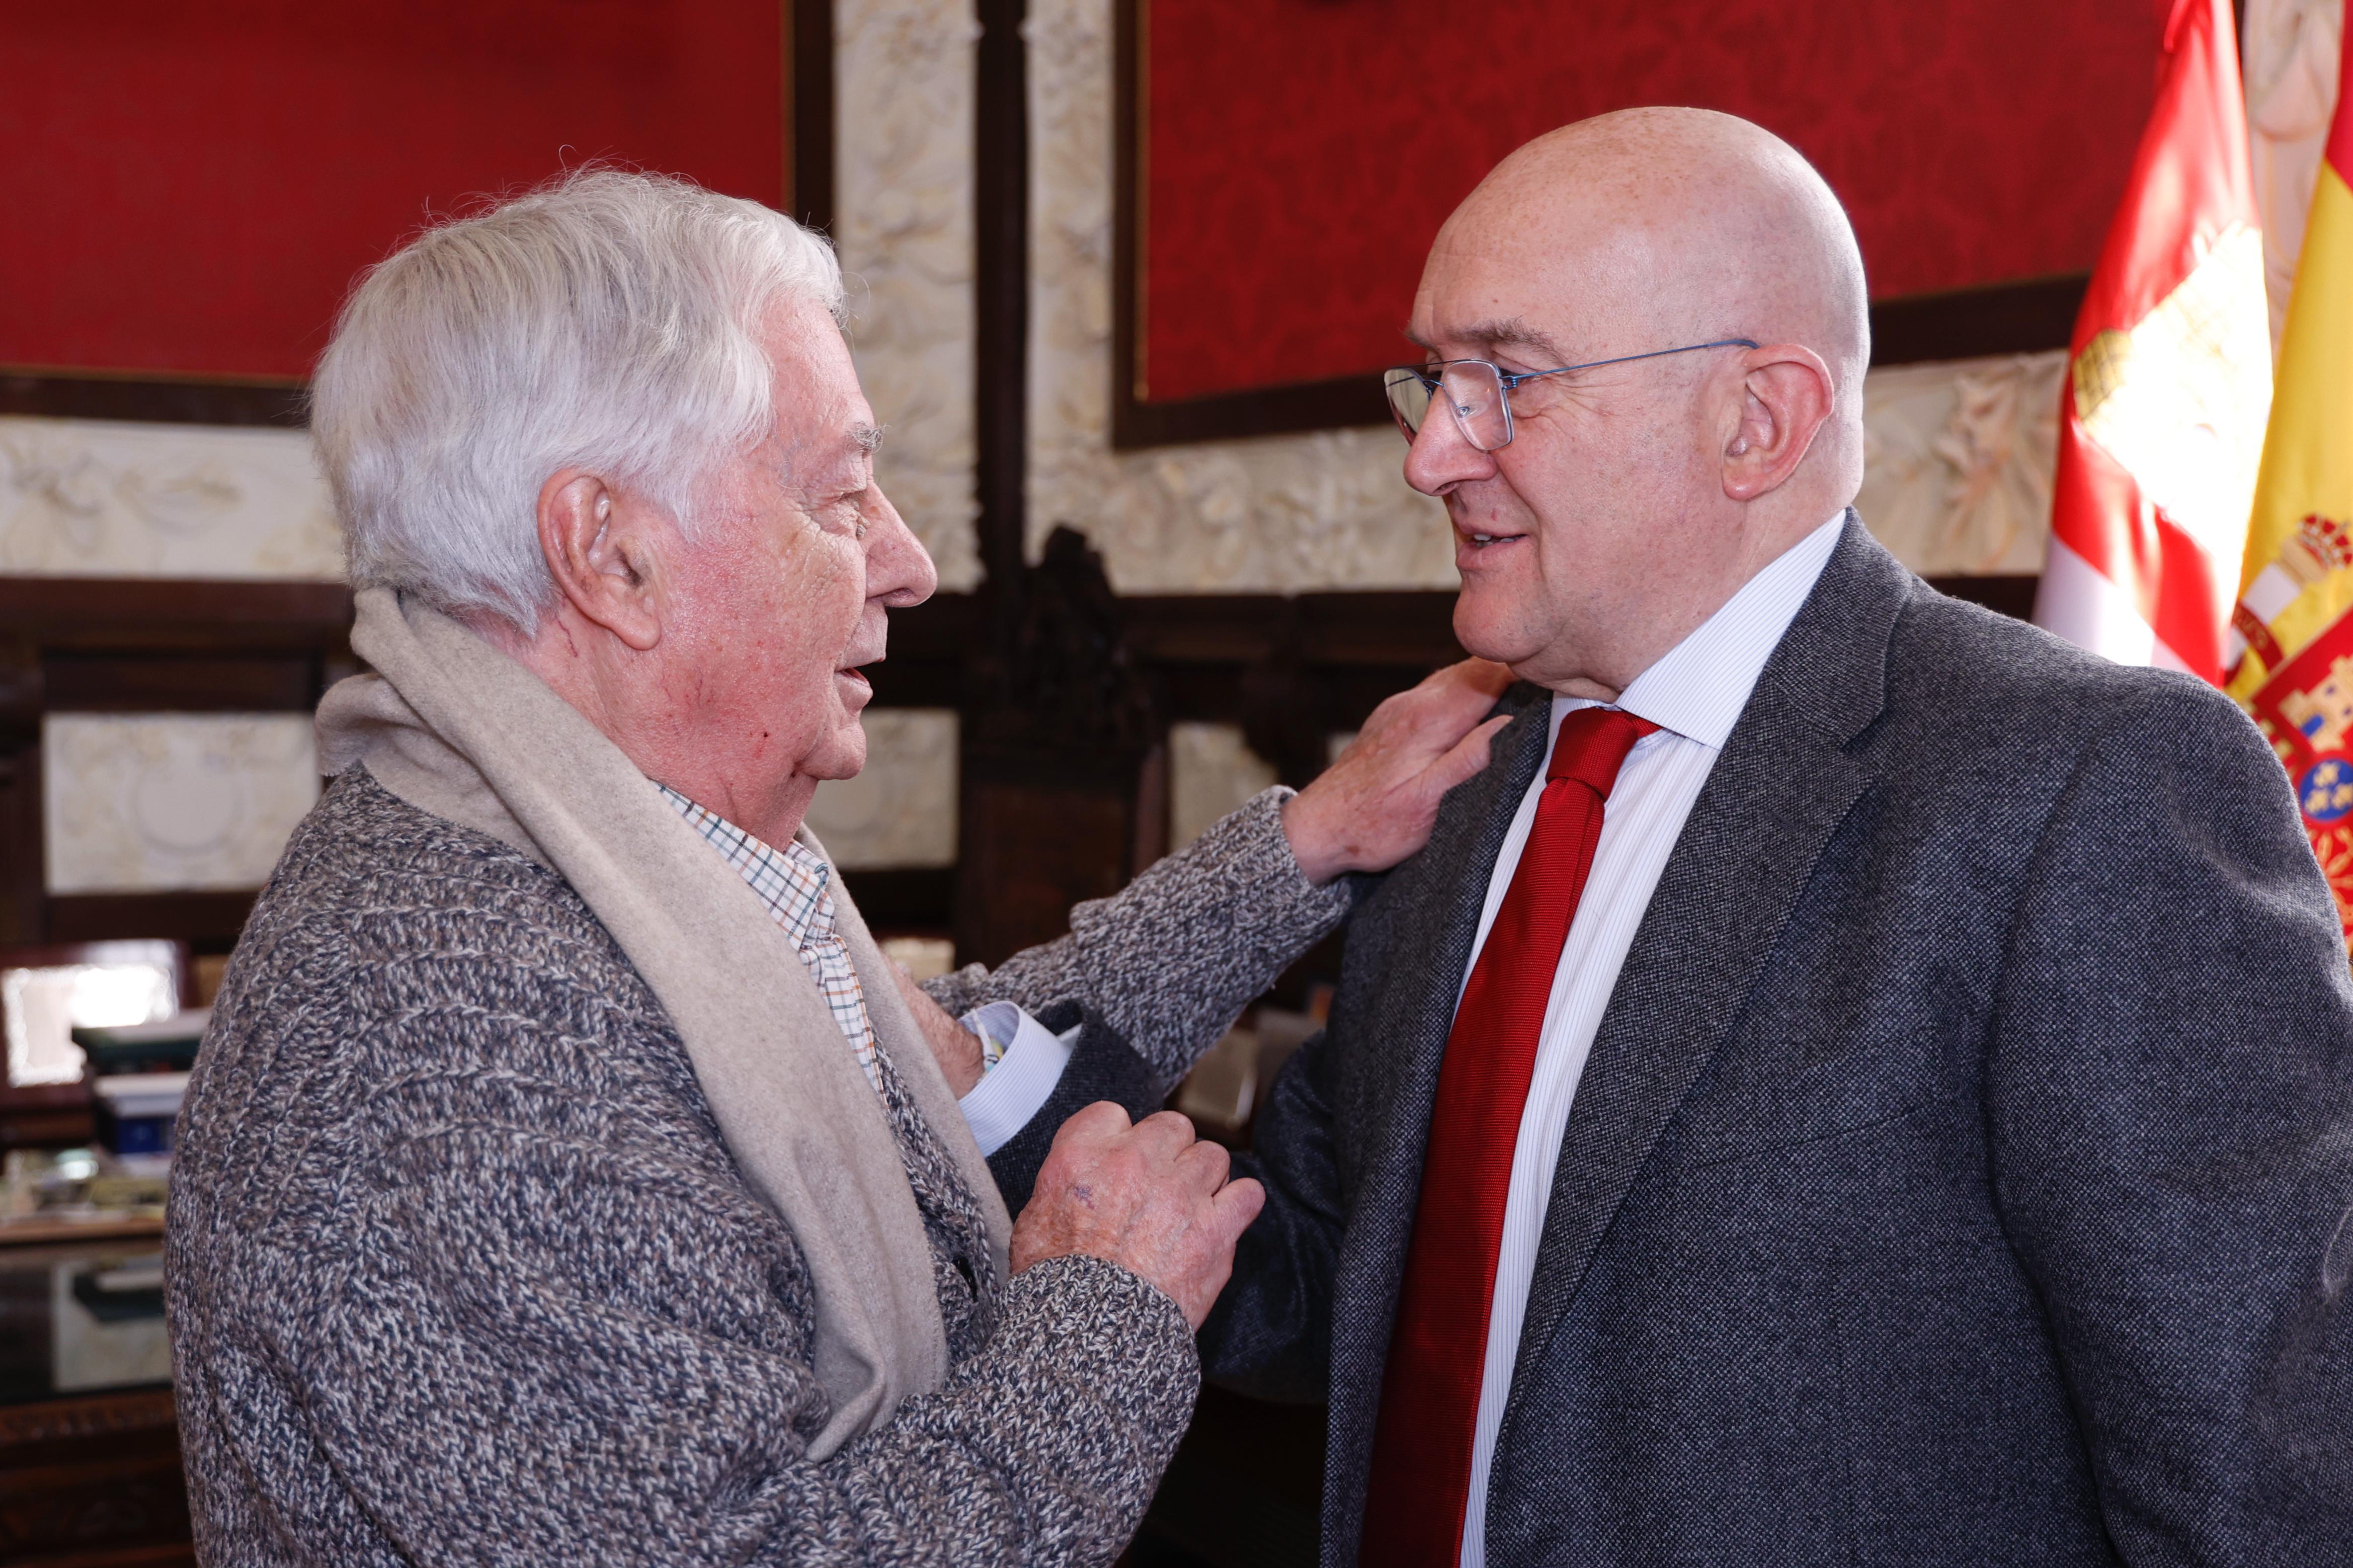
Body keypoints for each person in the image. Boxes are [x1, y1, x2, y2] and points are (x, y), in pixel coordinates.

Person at [161, 170, 1507, 1566]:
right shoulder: (466, 1036)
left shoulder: (581, 855)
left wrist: (1297, 850)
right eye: (842, 495)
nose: (908, 565)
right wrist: (1106, 1312)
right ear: (609, 555)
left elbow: (922, 1066)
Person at [1192, 109, 2353, 1566]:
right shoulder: (1453, 775)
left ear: (1759, 421)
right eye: (1433, 380)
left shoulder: (2085, 790)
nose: (1432, 454)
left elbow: (2260, 1492)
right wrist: (1013, 1115)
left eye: (1505, 382)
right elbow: (1341, 1273)